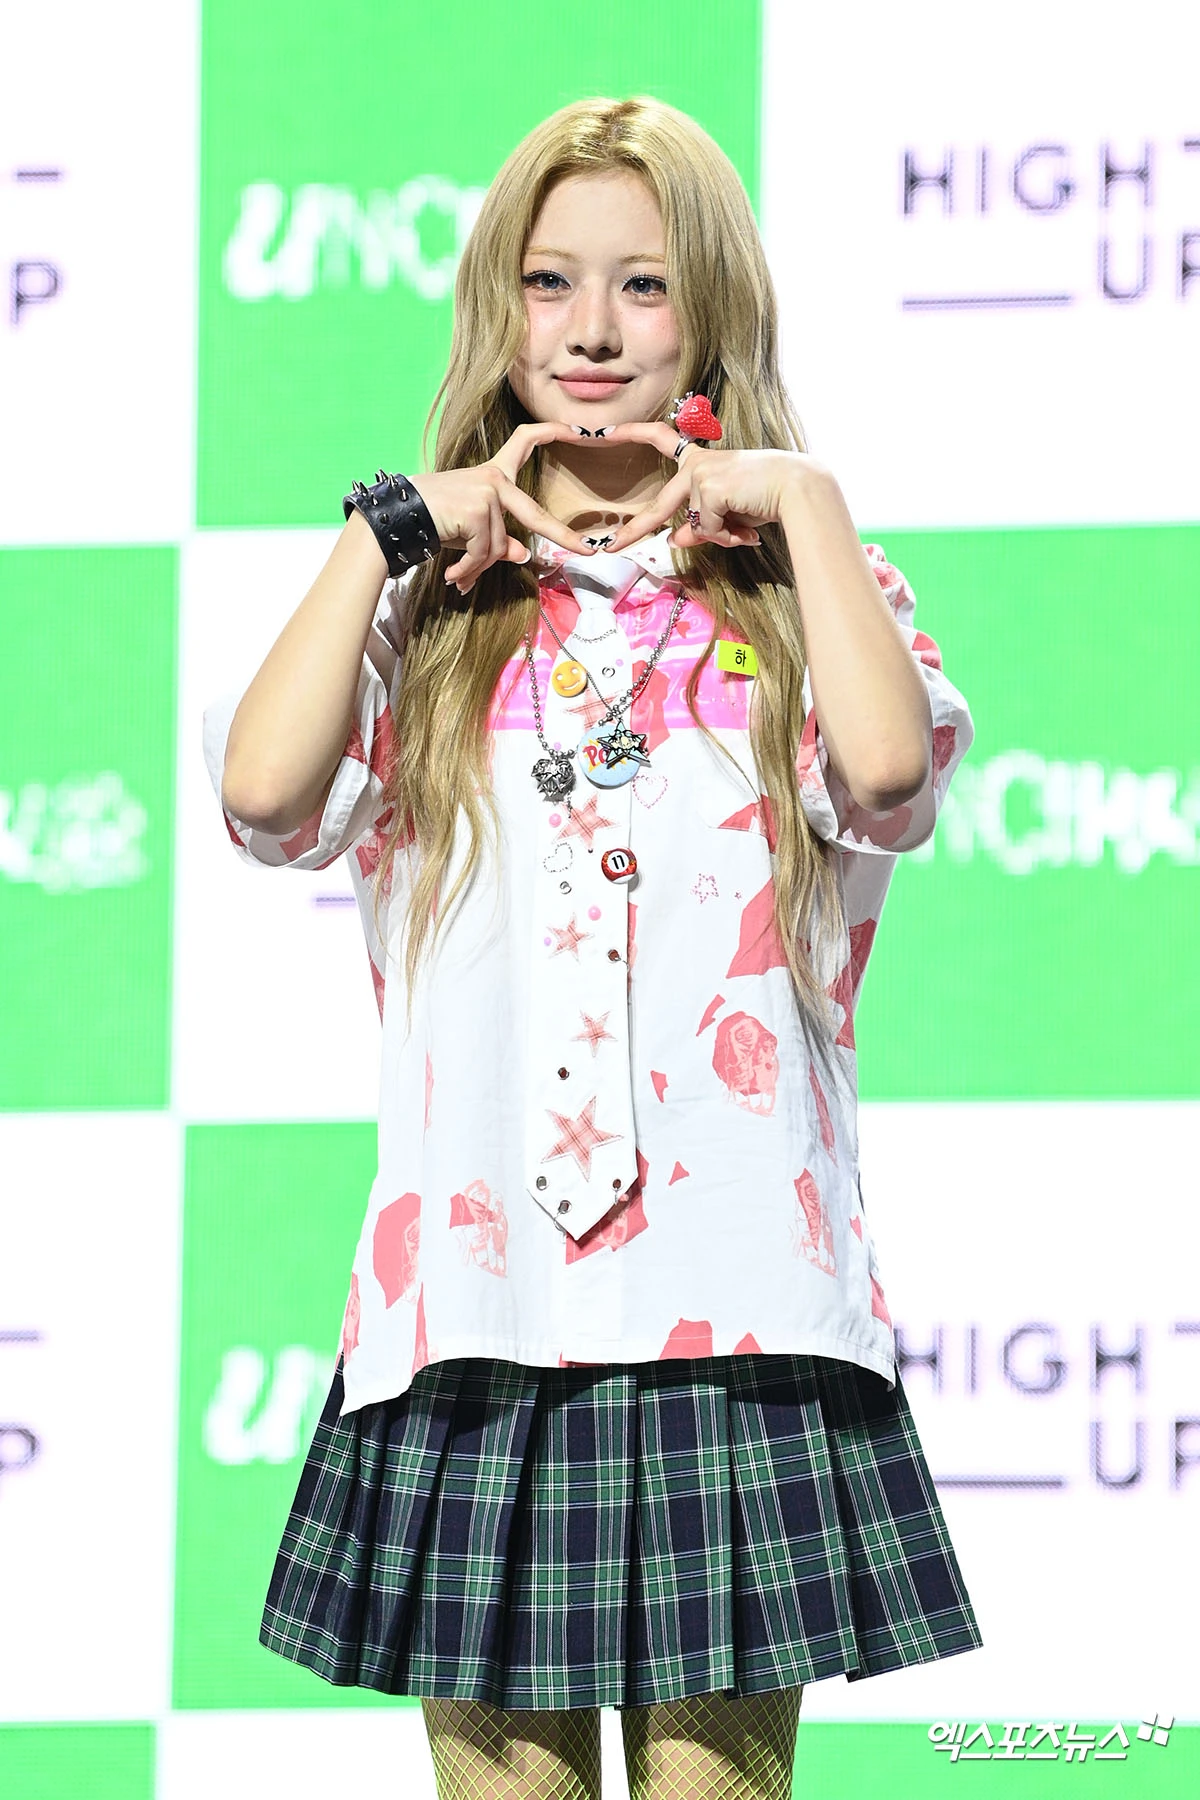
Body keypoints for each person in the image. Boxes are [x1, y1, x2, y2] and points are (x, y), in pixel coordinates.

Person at [203, 95, 981, 1800]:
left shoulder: (803, 589)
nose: (594, 331)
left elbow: (887, 779)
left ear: (711, 312)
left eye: (644, 285)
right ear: (500, 310)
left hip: (737, 1309)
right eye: (550, 283)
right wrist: (387, 530)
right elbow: (263, 797)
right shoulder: (427, 606)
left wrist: (809, 506)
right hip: (477, 1314)